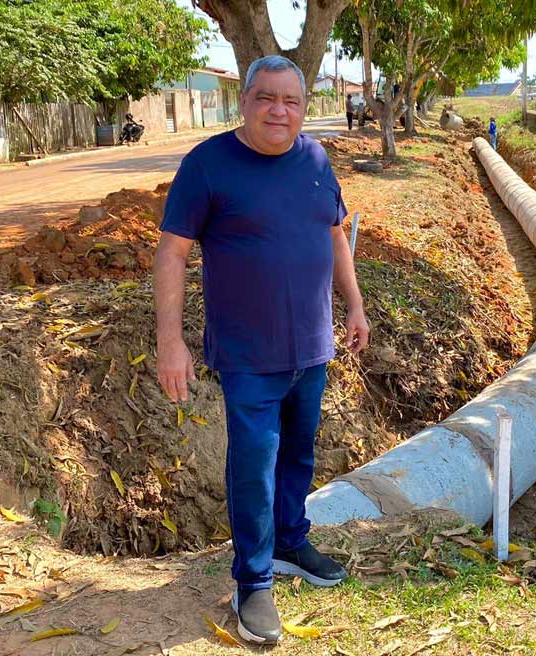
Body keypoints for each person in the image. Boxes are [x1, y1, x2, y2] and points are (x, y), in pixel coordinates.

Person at [153, 55, 370, 646]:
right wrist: (169, 341)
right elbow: (171, 254)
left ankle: (291, 542)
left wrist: (353, 304)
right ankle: (252, 581)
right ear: (243, 102)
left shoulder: (317, 160)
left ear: (304, 107)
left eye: (291, 101)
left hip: (312, 347)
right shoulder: (208, 165)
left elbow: (334, 235)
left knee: (299, 453)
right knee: (253, 466)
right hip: (247, 355)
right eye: (266, 99)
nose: (279, 111)